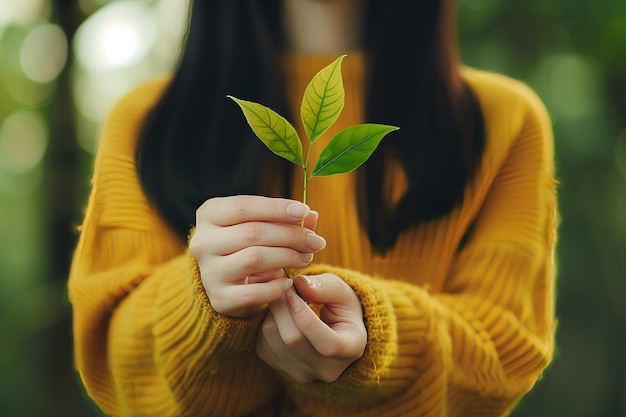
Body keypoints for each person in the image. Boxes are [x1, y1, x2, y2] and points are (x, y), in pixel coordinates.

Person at [68, 1, 559, 416]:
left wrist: (377, 336)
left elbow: (505, 352)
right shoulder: (147, 121)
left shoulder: (502, 122)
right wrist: (201, 302)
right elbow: (114, 353)